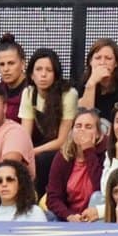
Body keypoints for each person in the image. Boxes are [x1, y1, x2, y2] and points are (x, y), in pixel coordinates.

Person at [23, 47, 76, 192]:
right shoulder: (28, 93)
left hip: (65, 148)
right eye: (39, 69)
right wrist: (25, 152)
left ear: (56, 74)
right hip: (38, 146)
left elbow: (62, 140)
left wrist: (33, 152)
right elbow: (25, 135)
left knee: (42, 160)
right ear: (31, 74)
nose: (43, 75)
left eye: (49, 70)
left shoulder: (69, 94)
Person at [45, 108, 104, 222]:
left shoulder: (105, 154)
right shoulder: (63, 157)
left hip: (96, 216)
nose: (82, 130)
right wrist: (69, 216)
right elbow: (53, 197)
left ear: (97, 134)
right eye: (78, 126)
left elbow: (101, 189)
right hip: (68, 217)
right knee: (47, 216)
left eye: (88, 127)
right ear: (72, 132)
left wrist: (88, 151)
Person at [77, 39, 118, 128]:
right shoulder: (85, 85)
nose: (102, 63)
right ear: (90, 61)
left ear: (116, 63)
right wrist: (91, 84)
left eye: (108, 58)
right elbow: (83, 120)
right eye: (97, 58)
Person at [0, 34, 32, 123]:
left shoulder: (33, 90)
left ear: (23, 64)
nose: (6, 69)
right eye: (2, 64)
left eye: (11, 63)